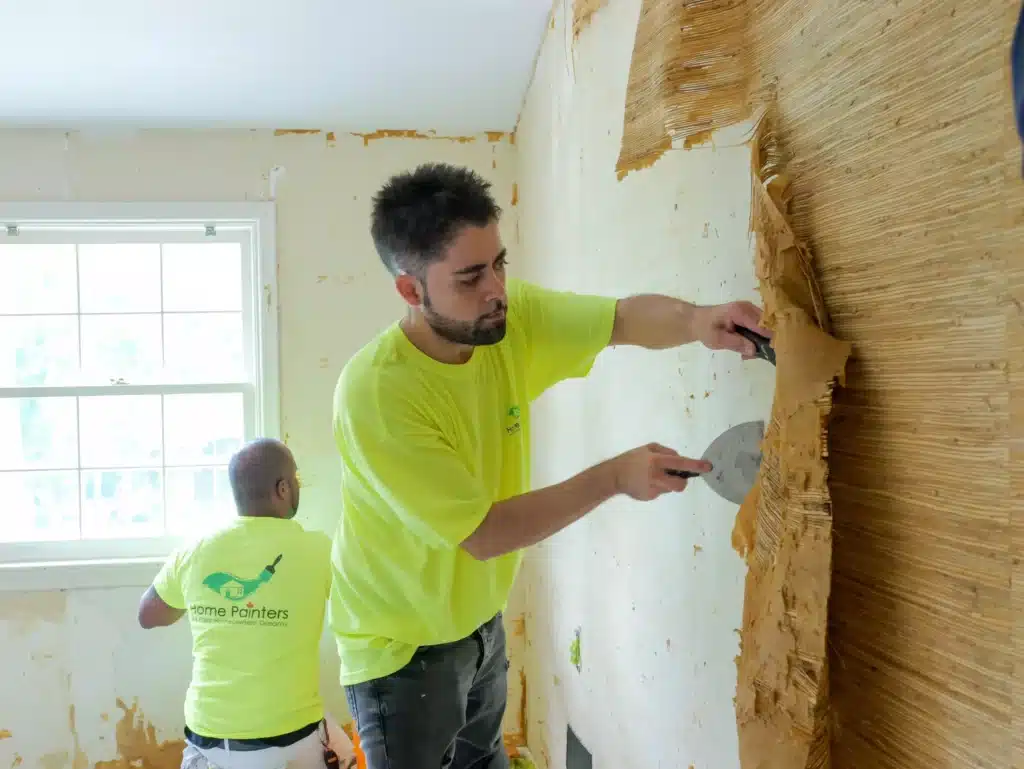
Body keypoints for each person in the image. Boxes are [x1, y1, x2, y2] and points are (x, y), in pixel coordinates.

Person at [329, 163, 772, 769]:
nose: (497, 290)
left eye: (499, 264)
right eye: (469, 277)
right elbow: (484, 533)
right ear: (411, 290)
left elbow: (616, 320)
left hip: (479, 625)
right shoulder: (378, 394)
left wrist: (699, 321)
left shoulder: (504, 316)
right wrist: (615, 476)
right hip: (400, 651)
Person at [138, 438, 356, 769]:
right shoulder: (318, 550)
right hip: (289, 743)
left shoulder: (196, 550)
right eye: (295, 481)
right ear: (283, 488)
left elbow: (148, 615)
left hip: (209, 741)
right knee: (345, 750)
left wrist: (208, 604)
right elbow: (358, 606)